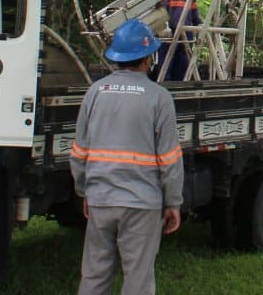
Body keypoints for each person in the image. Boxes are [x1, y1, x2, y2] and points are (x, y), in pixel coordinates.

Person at [71, 18, 184, 295]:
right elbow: (170, 159)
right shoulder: (159, 98)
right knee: (138, 279)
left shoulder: (95, 92)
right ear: (148, 58)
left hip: (101, 199)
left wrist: (85, 190)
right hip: (142, 204)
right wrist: (172, 203)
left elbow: (79, 152)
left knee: (94, 276)